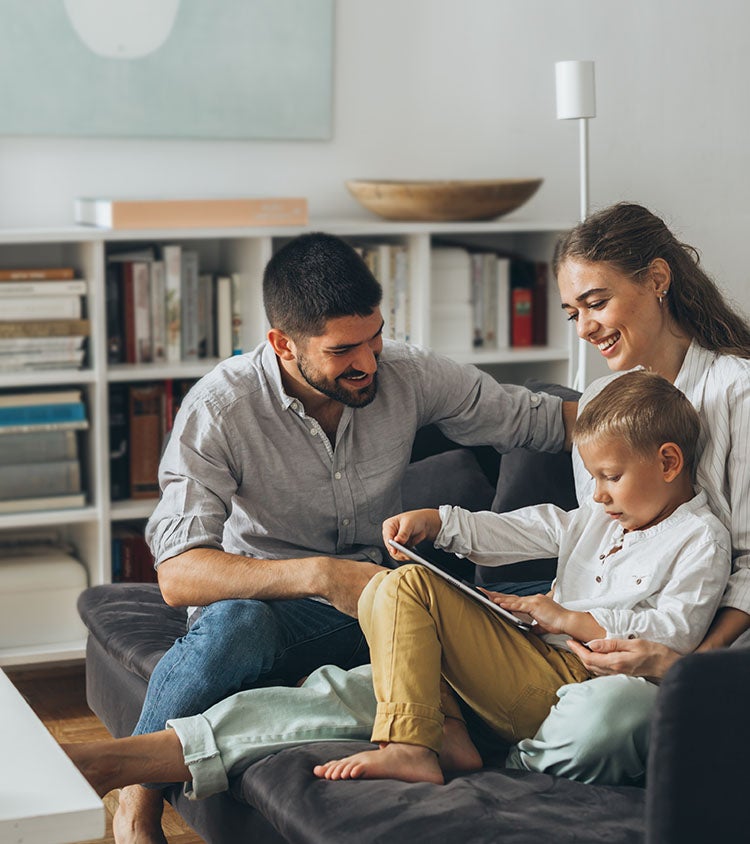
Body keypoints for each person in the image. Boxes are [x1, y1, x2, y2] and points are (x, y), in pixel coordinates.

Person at [62, 370, 730, 793]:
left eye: (610, 478)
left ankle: (415, 744)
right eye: (597, 480)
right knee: (352, 672)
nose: (601, 495)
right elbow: (532, 528)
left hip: (580, 681)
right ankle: (135, 761)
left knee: (400, 597)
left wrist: (569, 619)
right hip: (522, 665)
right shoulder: (599, 517)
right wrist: (440, 522)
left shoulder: (700, 538)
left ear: (669, 462)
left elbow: (671, 637)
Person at [115, 231, 577, 841]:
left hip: (385, 598)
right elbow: (178, 576)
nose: (368, 362)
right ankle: (135, 801)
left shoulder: (407, 372)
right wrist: (321, 574)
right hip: (273, 604)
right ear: (283, 344)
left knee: (525, 599)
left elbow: (536, 417)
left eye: (375, 336)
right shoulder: (222, 409)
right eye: (342, 351)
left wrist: (664, 418)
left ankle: (435, 724)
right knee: (237, 624)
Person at [504, 201, 750, 785]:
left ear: (657, 280)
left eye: (596, 302)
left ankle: (514, 754)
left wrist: (683, 665)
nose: (585, 327)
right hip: (606, 639)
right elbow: (598, 531)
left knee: (603, 719)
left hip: (710, 653)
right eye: (573, 313)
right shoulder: (596, 401)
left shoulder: (738, 391)